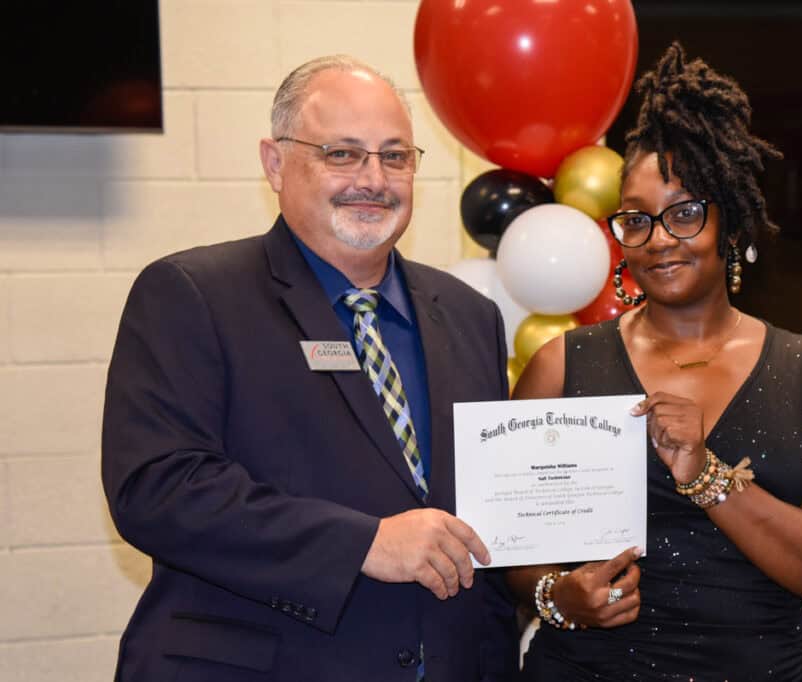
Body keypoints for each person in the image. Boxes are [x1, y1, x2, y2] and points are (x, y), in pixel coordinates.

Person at [101, 55, 518, 682]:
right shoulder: (191, 294)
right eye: (342, 154)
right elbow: (157, 488)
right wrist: (362, 544)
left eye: (395, 156)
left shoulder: (469, 315)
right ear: (275, 163)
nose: (373, 179)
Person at [507, 42, 802, 680]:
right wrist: (559, 597)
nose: (659, 240)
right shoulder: (560, 367)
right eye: (636, 220)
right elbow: (506, 548)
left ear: (730, 225)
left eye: (684, 214)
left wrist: (706, 474)